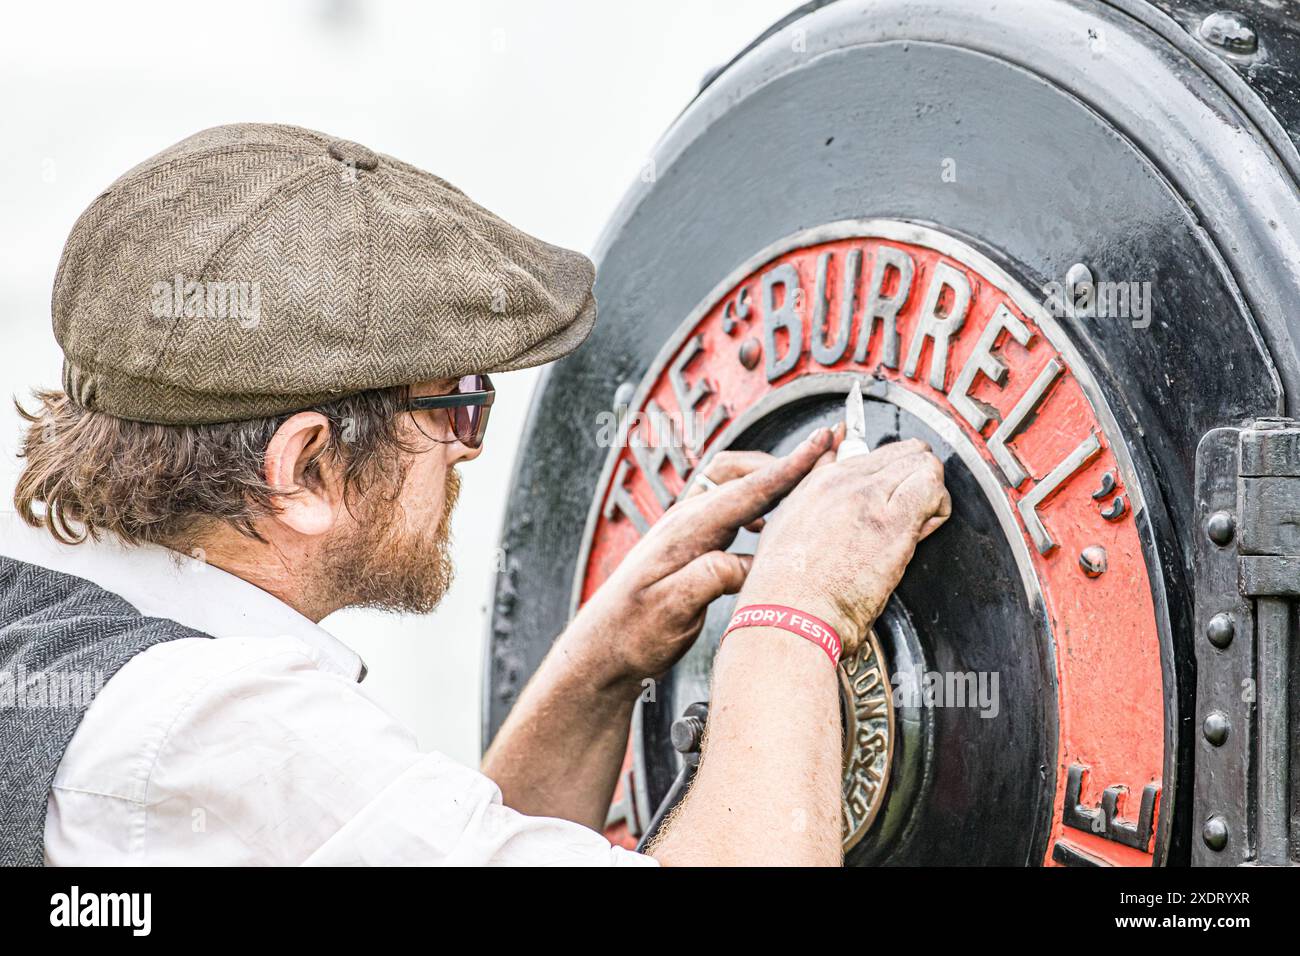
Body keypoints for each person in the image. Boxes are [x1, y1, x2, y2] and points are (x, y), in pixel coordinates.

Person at [0, 124, 949, 866]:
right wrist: (794, 611)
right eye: (457, 405)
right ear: (306, 469)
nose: (465, 453)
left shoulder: (69, 645)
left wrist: (600, 667)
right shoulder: (220, 734)